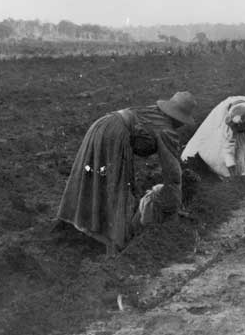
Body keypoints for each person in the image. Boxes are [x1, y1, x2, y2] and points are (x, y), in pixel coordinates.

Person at [56, 91, 197, 254]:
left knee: (95, 177)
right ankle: (113, 242)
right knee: (116, 186)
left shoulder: (152, 112)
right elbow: (172, 173)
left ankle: (80, 223)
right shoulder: (166, 130)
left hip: (102, 125)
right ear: (178, 119)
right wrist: (172, 206)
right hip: (115, 136)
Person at [181, 96, 245, 179]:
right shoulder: (230, 124)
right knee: (214, 143)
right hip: (227, 109)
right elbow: (228, 148)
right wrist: (232, 173)